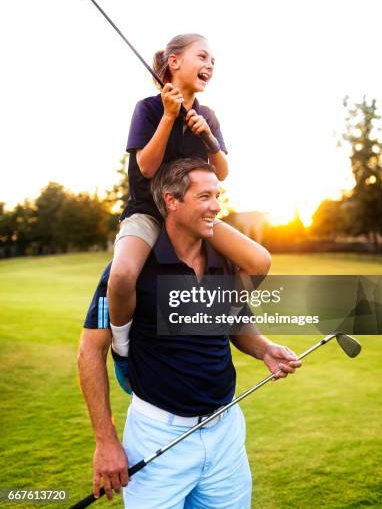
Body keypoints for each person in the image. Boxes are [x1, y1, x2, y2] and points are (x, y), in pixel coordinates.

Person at [78, 158, 301, 508]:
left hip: (225, 434)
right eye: (205, 197)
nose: (217, 206)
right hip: (157, 435)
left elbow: (232, 322)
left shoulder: (223, 261)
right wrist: (105, 441)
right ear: (172, 201)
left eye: (218, 195)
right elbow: (90, 351)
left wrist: (264, 348)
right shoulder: (131, 268)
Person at [108, 33, 271, 363]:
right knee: (123, 274)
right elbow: (147, 167)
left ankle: (219, 317)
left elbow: (221, 172)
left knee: (259, 261)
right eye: (203, 56)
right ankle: (122, 346)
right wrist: (170, 117)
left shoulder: (207, 115)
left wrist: (208, 138)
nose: (209, 65)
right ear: (174, 62)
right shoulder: (149, 109)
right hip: (149, 212)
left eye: (213, 61)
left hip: (192, 216)